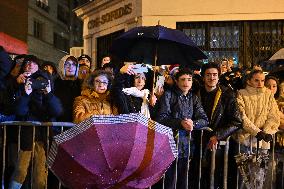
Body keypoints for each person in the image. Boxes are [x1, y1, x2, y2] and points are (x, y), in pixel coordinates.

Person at [9, 55, 63, 189]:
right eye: (27, 63)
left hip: (42, 136)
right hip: (24, 135)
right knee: (20, 171)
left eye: (33, 63)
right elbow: (19, 111)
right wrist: (25, 93)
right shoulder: (19, 83)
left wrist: (49, 94)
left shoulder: (45, 80)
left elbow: (56, 111)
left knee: (40, 173)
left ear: (38, 66)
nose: (29, 65)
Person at [155, 68, 208, 189]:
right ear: (177, 81)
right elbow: (161, 118)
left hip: (187, 146)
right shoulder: (169, 95)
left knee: (184, 179)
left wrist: (193, 124)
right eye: (183, 79)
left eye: (189, 79)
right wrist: (180, 123)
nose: (186, 82)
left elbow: (204, 119)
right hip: (169, 144)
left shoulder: (194, 98)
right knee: (169, 180)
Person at [198, 62, 243, 188]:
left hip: (219, 144)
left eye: (214, 75)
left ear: (218, 76)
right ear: (203, 77)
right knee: (198, 176)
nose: (211, 77)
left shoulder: (227, 94)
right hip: (197, 141)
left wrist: (217, 135)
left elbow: (237, 121)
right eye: (208, 75)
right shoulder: (197, 92)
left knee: (216, 176)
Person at [235, 69, 280, 188]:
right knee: (244, 177)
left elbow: (273, 115)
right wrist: (256, 131)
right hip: (244, 140)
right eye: (256, 80)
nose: (260, 83)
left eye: (262, 80)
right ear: (249, 81)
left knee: (259, 177)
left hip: (263, 143)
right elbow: (241, 116)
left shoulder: (268, 94)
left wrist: (267, 131)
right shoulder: (241, 93)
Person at [54, 55, 81, 122]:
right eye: (67, 64)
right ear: (62, 66)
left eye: (74, 64)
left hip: (77, 125)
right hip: (58, 126)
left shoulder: (81, 85)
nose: (70, 67)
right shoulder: (54, 83)